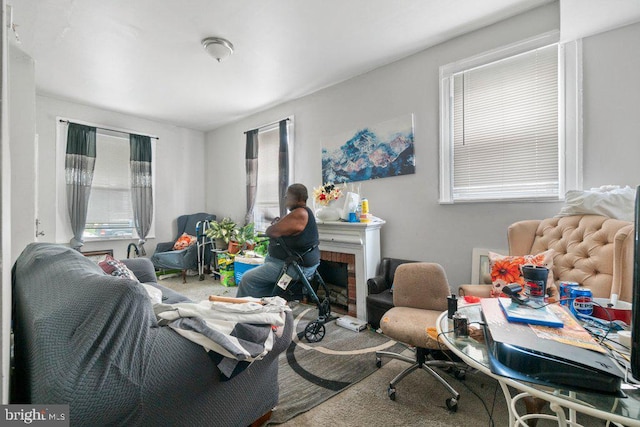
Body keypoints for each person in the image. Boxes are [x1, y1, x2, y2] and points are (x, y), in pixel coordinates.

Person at [236, 183, 320, 298]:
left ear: (297, 198)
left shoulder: (300, 213)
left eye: (287, 196)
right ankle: (263, 303)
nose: (285, 199)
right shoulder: (302, 212)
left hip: (294, 267)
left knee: (247, 278)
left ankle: (241, 310)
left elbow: (271, 232)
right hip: (290, 263)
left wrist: (276, 225)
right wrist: (279, 222)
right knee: (263, 277)